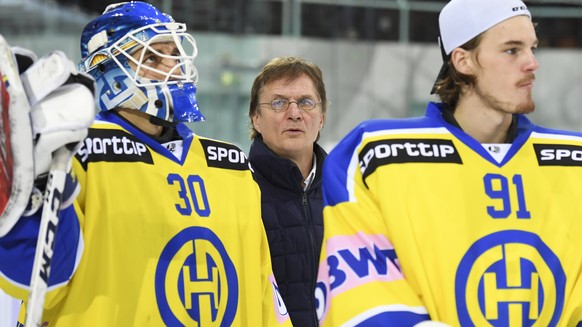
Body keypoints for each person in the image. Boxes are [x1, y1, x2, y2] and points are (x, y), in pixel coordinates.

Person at [0, 2, 291, 326]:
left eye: (175, 55)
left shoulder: (232, 166)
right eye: (152, 57)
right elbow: (36, 278)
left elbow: (264, 294)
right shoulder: (73, 153)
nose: (172, 67)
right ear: (105, 67)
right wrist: (33, 193)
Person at [315, 0, 582, 326]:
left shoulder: (574, 162)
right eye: (512, 50)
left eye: (532, 48)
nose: (532, 63)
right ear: (463, 60)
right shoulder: (373, 156)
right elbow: (363, 298)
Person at [248, 56, 327, 326]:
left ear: (322, 118)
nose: (294, 113)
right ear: (256, 119)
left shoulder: (348, 190)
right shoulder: (238, 188)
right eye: (279, 103)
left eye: (305, 102)